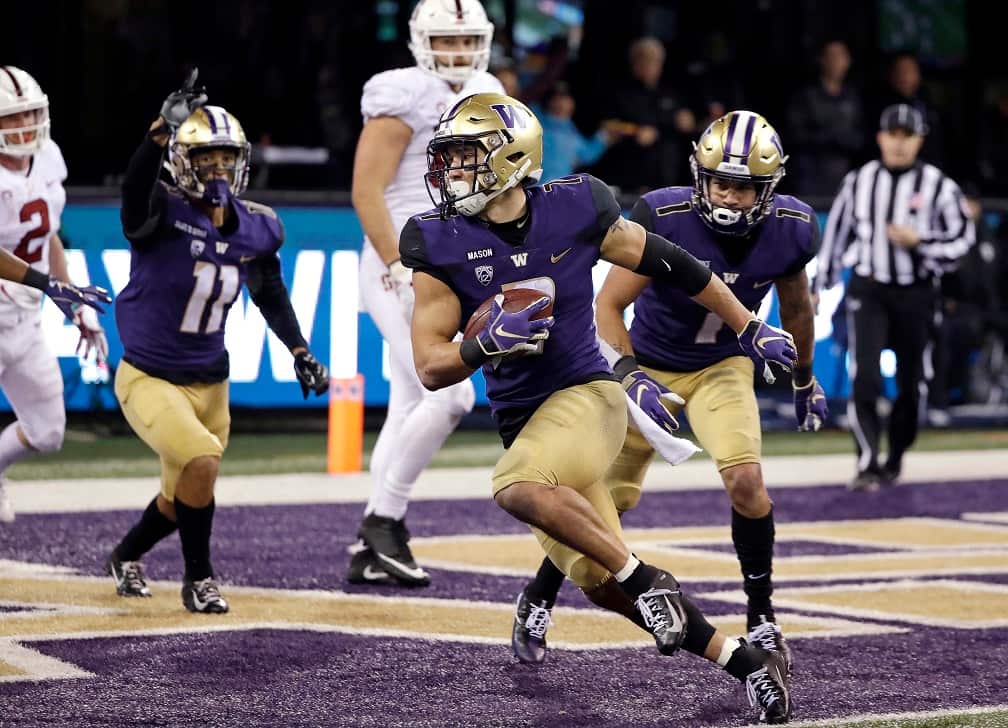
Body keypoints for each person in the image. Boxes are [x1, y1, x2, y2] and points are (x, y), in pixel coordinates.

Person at [405, 92, 793, 724]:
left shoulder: (575, 207)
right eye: (446, 158)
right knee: (601, 583)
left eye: (464, 156)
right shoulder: (437, 241)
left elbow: (677, 265)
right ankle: (746, 664)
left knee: (516, 486)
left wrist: (747, 325)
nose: (451, 172)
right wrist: (480, 344)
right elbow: (430, 364)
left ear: (510, 158)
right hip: (524, 422)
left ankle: (648, 578)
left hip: (588, 395)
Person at [511, 110, 824, 675]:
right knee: (600, 503)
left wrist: (805, 376)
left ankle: (762, 616)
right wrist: (630, 375)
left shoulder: (792, 228)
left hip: (721, 366)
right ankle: (539, 596)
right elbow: (607, 305)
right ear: (699, 177)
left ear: (769, 189)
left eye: (745, 186)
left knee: (747, 479)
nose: (729, 196)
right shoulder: (665, 214)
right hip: (649, 368)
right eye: (721, 182)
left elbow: (798, 307)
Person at [105, 70, 329, 613]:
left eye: (226, 159)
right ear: (183, 163)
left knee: (181, 494)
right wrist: (157, 136)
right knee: (202, 461)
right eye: (206, 159)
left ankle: (125, 556)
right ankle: (199, 579)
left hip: (213, 381)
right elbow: (135, 191)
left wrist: (299, 350)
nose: (218, 170)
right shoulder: (161, 212)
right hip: (150, 376)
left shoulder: (257, 226)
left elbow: (269, 291)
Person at [348, 0, 503, 587]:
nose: (458, 53)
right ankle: (383, 521)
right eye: (447, 41)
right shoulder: (404, 92)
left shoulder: (488, 87)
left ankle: (372, 540)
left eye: (467, 42)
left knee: (411, 403)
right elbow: (367, 190)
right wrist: (396, 263)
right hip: (404, 260)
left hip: (455, 260)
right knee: (451, 396)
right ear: (420, 39)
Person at [813, 104, 973, 490]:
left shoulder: (939, 186)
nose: (900, 143)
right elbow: (837, 234)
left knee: (911, 381)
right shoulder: (860, 180)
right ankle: (867, 460)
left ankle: (896, 455)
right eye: (894, 135)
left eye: (908, 136)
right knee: (864, 374)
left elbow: (962, 240)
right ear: (881, 138)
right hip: (870, 289)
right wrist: (820, 285)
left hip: (917, 292)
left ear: (919, 140)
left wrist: (922, 242)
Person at [0, 66, 112, 523]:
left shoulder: (47, 158)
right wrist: (46, 284)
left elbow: (47, 236)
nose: (24, 127)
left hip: (22, 319)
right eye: (11, 118)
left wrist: (72, 304)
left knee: (48, 431)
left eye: (30, 114)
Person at [785, 39, 865, 196]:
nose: (836, 61)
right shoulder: (806, 96)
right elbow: (793, 135)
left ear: (848, 61)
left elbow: (861, 136)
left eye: (840, 56)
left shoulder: (853, 98)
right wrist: (829, 137)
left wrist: (846, 140)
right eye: (831, 56)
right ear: (821, 60)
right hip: (809, 178)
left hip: (844, 176)